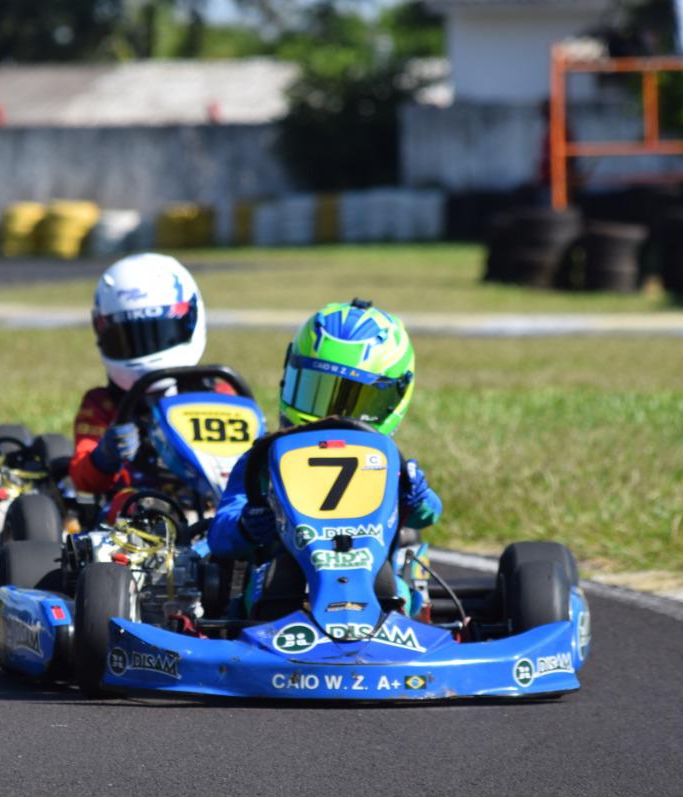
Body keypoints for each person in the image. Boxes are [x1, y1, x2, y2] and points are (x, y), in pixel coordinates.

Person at [207, 298, 442, 617]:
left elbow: (428, 515)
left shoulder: (387, 464)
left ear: (392, 398)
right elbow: (220, 535)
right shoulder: (262, 459)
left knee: (391, 586)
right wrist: (247, 526)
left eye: (355, 399)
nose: (331, 416)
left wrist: (418, 499)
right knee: (277, 579)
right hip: (281, 587)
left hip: (372, 575)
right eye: (317, 390)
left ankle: (391, 625)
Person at [70, 252, 231, 498]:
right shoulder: (102, 404)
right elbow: (82, 478)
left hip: (212, 506)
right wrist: (105, 455)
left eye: (160, 334)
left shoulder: (220, 394)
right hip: (133, 517)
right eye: (129, 339)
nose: (146, 352)